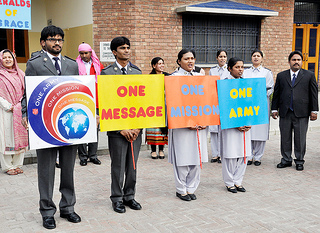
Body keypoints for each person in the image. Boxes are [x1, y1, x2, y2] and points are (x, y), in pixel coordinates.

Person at [21, 25, 81, 229]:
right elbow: (27, 92)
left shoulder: (72, 65)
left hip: (68, 124)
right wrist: (25, 113)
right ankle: (47, 211)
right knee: (46, 171)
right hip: (44, 125)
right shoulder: (35, 64)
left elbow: (79, 92)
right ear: (43, 43)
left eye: (60, 39)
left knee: (68, 169)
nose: (57, 42)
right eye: (52, 39)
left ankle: (68, 208)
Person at [100, 36, 142, 213]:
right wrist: (121, 128)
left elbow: (143, 102)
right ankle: (117, 198)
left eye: (128, 47)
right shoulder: (106, 73)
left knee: (132, 166)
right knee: (117, 166)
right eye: (122, 48)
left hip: (135, 129)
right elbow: (105, 103)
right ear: (114, 52)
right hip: (117, 129)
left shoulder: (137, 72)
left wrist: (138, 127)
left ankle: (129, 196)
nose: (126, 50)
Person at [168, 49, 208, 201]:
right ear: (179, 61)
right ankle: (181, 189)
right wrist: (186, 121)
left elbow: (207, 100)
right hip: (181, 126)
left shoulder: (200, 77)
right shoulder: (172, 78)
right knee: (183, 157)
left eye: (192, 58)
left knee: (197, 157)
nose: (190, 61)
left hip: (199, 124)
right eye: (186, 59)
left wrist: (206, 119)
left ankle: (191, 187)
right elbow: (171, 103)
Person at [271, 51, 318, 171]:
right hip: (285, 112)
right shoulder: (281, 76)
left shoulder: (309, 75)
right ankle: (286, 159)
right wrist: (274, 109)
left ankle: (299, 160)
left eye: (298, 60)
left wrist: (314, 110)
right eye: (294, 60)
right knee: (285, 137)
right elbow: (277, 94)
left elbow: (313, 94)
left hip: (302, 112)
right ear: (289, 62)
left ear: (302, 62)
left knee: (300, 138)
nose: (296, 62)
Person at [220, 57, 251, 193]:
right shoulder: (224, 84)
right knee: (230, 154)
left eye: (242, 67)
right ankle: (229, 182)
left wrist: (250, 122)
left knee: (244, 154)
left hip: (245, 124)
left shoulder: (247, 84)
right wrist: (234, 125)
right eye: (237, 67)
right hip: (230, 125)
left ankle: (238, 181)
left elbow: (252, 104)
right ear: (229, 68)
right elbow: (223, 106)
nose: (240, 70)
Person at [243, 49, 274, 166]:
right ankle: (249, 155)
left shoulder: (267, 72)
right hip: (249, 104)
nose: (256, 58)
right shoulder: (246, 72)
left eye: (258, 56)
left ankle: (258, 157)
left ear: (262, 58)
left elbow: (270, 88)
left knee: (261, 130)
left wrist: (258, 93)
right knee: (249, 129)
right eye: (254, 56)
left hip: (261, 104)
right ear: (251, 58)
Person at [0, 49, 28, 175]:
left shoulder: (20, 74)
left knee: (21, 135)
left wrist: (20, 106)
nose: (7, 59)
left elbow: (25, 91)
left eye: (9, 57)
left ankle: (17, 164)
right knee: (6, 137)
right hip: (5, 110)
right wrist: (8, 106)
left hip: (19, 110)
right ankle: (7, 166)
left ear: (14, 59)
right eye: (4, 57)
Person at [76, 43, 104, 166]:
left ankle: (93, 155)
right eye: (81, 53)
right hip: (80, 100)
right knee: (80, 127)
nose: (84, 55)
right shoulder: (74, 65)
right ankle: (82, 156)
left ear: (90, 53)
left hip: (96, 100)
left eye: (86, 53)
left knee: (94, 128)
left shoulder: (98, 65)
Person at [208, 50, 229, 163]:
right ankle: (215, 154)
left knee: (223, 129)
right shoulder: (212, 70)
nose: (222, 59)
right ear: (217, 58)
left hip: (225, 101)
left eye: (224, 56)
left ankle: (222, 154)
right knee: (214, 130)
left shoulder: (229, 70)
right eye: (220, 56)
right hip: (214, 101)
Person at [146, 57, 168, 159]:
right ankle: (153, 150)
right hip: (153, 106)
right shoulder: (150, 77)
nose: (161, 65)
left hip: (164, 105)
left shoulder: (167, 76)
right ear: (154, 65)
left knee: (162, 128)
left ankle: (161, 150)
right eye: (159, 64)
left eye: (162, 63)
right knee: (153, 129)